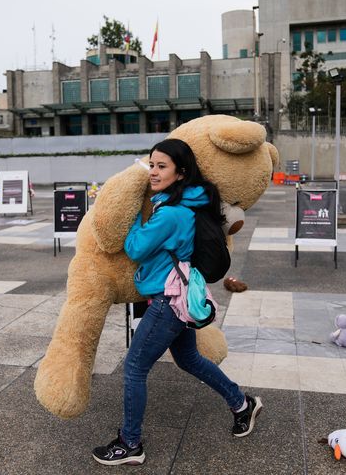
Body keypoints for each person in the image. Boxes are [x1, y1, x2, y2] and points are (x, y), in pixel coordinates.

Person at [92, 138, 262, 466]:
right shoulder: (184, 204)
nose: (153, 172)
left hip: (167, 301)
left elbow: (136, 249)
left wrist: (130, 216)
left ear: (180, 173)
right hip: (179, 295)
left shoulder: (170, 214)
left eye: (161, 166)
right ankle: (242, 403)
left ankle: (130, 443)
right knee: (189, 359)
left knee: (134, 367)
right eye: (151, 165)